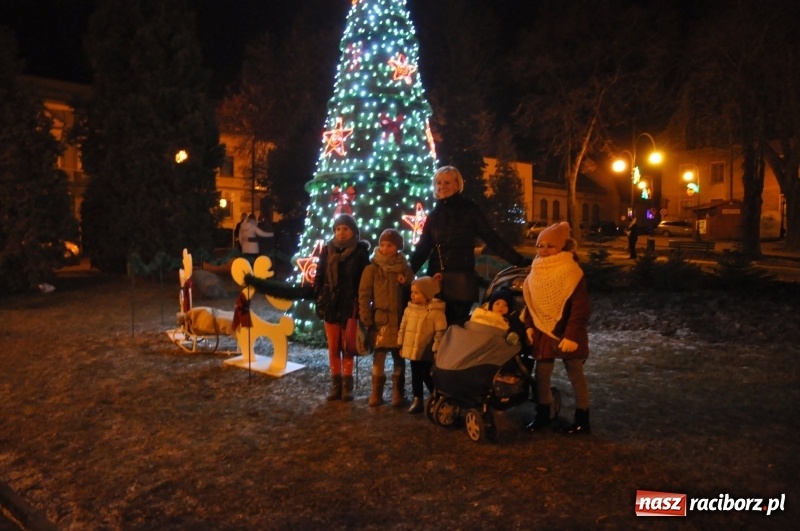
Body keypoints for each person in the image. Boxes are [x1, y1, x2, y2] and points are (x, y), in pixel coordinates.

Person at [410, 166, 528, 327]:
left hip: (461, 282)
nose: (441, 186)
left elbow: (492, 238)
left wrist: (520, 261)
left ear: (457, 185)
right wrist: (408, 271)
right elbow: (423, 248)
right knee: (434, 331)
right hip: (436, 281)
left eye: (447, 182)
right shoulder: (434, 215)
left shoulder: (469, 210)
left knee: (455, 330)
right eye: (438, 182)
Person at [521, 222, 592, 435]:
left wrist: (571, 336)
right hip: (543, 330)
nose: (543, 250)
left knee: (575, 374)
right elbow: (531, 303)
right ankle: (543, 414)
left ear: (563, 247)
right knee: (542, 373)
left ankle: (582, 419)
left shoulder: (572, 271)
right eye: (540, 245)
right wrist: (529, 326)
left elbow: (580, 308)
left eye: (550, 246)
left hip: (568, 332)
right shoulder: (535, 269)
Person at [313, 214, 371, 401]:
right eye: (338, 229)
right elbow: (320, 275)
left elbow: (364, 280)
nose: (341, 232)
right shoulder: (327, 250)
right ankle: (335, 385)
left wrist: (360, 302)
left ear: (353, 231)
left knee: (348, 347)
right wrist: (319, 294)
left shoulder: (360, 253)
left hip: (349, 306)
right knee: (332, 347)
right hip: (330, 304)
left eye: (345, 228)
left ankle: (347, 385)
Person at [358, 229, 414, 407]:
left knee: (399, 356)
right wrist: (366, 316)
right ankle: (376, 392)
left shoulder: (403, 268)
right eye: (382, 244)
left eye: (389, 245)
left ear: (397, 247)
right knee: (379, 355)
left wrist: (404, 281)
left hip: (398, 320)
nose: (384, 248)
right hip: (380, 320)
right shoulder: (372, 268)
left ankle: (398, 391)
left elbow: (412, 286)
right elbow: (364, 294)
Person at [397, 276, 447, 413]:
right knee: (415, 375)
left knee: (427, 374)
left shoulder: (436, 312)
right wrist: (400, 341)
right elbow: (403, 327)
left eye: (416, 292)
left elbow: (440, 332)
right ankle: (417, 399)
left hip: (426, 350)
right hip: (413, 350)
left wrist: (436, 347)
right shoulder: (409, 310)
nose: (412, 295)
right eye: (412, 292)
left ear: (427, 295)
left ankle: (437, 396)